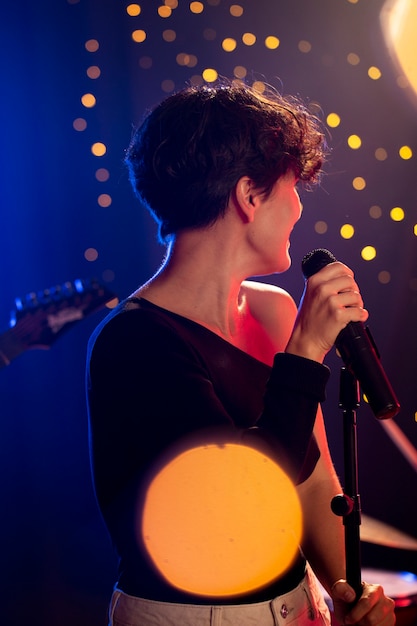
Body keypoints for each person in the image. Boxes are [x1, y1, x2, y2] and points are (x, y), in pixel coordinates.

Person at [86, 80, 396, 626]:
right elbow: (237, 505)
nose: (299, 206)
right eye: (292, 186)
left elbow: (312, 480)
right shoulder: (135, 342)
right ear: (249, 195)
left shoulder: (275, 311)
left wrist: (347, 592)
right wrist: (305, 352)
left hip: (300, 604)